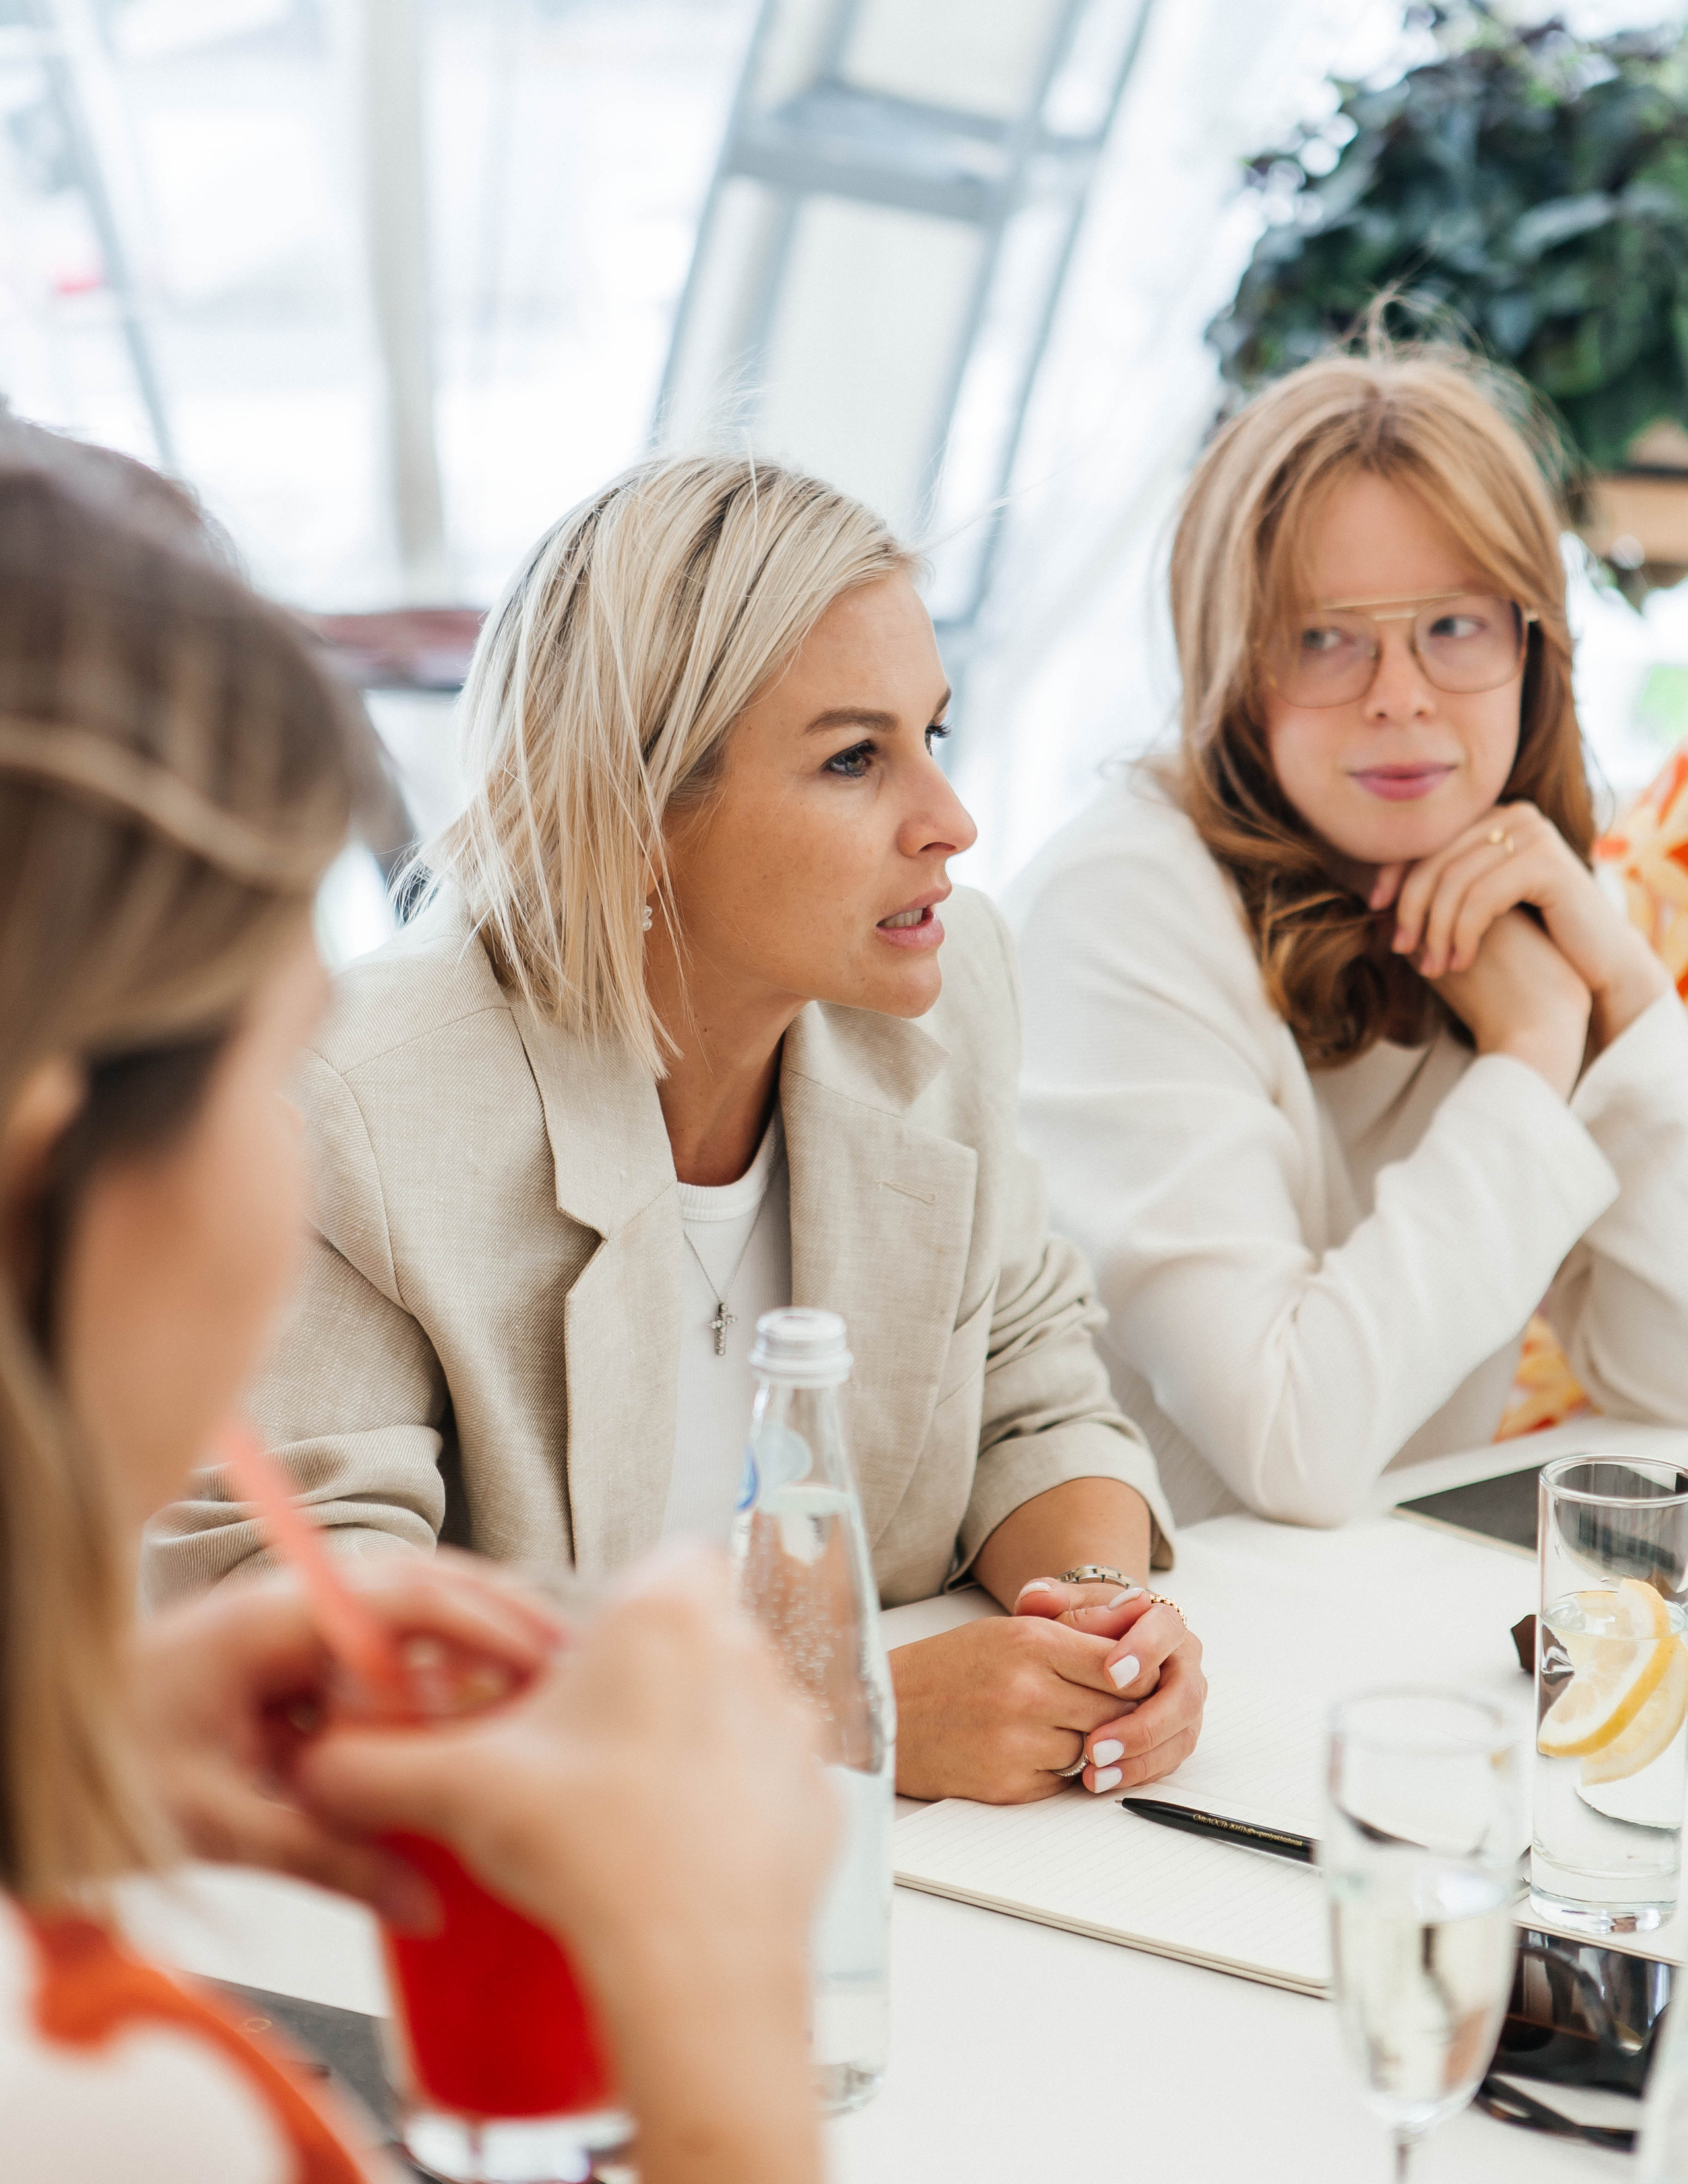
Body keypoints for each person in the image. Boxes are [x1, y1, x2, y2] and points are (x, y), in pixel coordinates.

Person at [0, 421, 833, 2184]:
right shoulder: (116, 2101)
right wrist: (719, 2015)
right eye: (278, 1064)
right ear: (52, 1169)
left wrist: (66, 1759)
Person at [148, 456, 1207, 1804]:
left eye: (930, 738)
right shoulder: (352, 1101)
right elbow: (312, 1633)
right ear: (638, 813)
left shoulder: (941, 998)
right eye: (851, 759)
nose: (949, 822)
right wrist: (826, 1714)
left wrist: (1102, 1626)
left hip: (921, 1891)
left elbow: (1030, 1387)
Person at [1011, 345, 1688, 1527]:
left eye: (1456, 626)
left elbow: (1669, 1386)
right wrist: (1533, 1051)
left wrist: (1627, 996)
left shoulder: (1512, 898)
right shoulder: (1122, 900)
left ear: (1533, 648)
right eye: (1326, 637)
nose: (1402, 694)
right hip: (1151, 1660)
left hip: (1369, 1626)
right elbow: (1293, 1446)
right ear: (1232, 666)